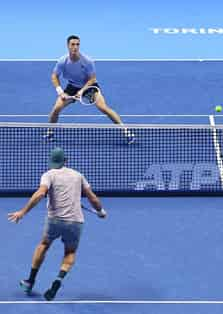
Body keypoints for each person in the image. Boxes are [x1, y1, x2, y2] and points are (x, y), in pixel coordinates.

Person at [8, 147, 107, 300]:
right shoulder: (78, 175)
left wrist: (23, 212)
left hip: (54, 220)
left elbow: (41, 193)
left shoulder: (48, 175)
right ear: (66, 161)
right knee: (70, 253)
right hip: (75, 222)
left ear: (51, 162)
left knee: (43, 245)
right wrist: (100, 211)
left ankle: (30, 281)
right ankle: (58, 280)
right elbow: (92, 198)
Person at [46, 35, 135, 144]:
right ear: (67, 46)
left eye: (77, 44)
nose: (75, 47)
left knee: (103, 108)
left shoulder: (87, 61)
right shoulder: (62, 61)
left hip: (89, 86)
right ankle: (50, 131)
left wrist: (82, 90)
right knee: (56, 108)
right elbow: (54, 76)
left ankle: (126, 131)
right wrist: (60, 92)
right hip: (72, 87)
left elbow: (92, 79)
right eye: (72, 44)